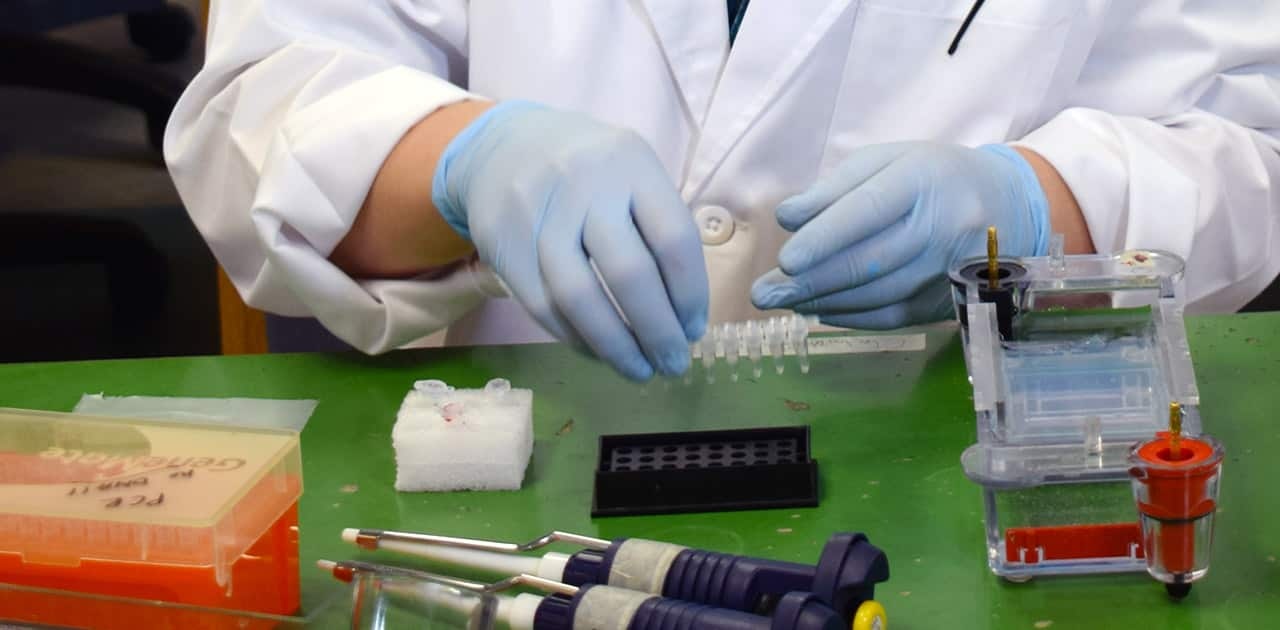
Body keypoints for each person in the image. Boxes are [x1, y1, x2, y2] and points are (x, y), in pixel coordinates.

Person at [166, 2, 1280, 381]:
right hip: (526, 464)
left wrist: (1034, 206)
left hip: (960, 453)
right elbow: (264, 103)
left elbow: (1242, 141)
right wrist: (462, 160)